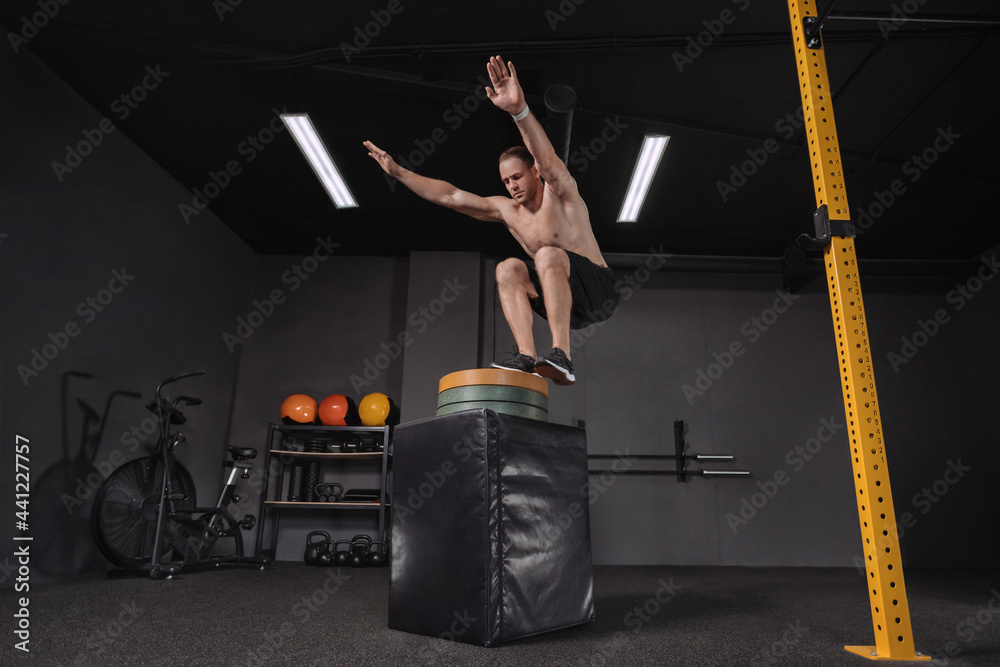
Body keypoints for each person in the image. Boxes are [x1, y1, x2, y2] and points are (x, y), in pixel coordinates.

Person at [364, 56, 618, 386]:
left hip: (598, 292)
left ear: (535, 173)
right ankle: (527, 356)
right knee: (508, 267)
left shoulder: (562, 194)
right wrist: (400, 172)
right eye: (506, 182)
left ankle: (561, 356)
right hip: (564, 302)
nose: (512, 186)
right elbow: (451, 196)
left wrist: (519, 111)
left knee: (546, 254)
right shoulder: (507, 211)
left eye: (517, 177)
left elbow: (548, 158)